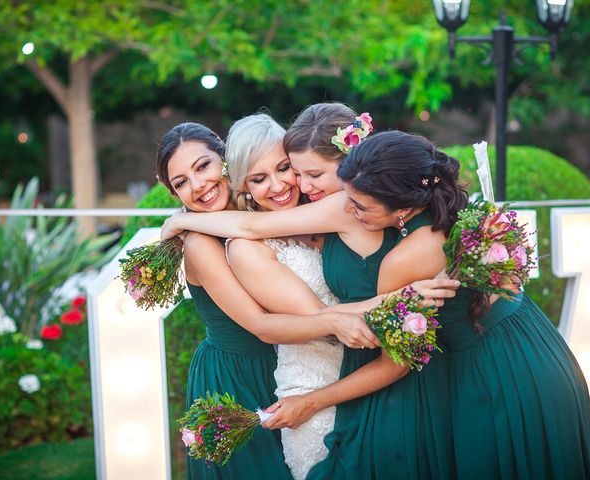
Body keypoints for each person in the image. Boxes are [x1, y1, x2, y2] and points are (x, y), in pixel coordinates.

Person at [160, 107, 460, 478]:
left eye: (286, 169)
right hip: (315, 369)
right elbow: (307, 318)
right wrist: (401, 300)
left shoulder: (325, 208)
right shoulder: (239, 244)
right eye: (258, 178)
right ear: (241, 180)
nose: (281, 185)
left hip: (376, 366)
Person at [325, 130, 590, 479]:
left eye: (360, 205)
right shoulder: (464, 211)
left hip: (496, 381)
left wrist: (314, 400)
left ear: (405, 207)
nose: (347, 210)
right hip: (538, 351)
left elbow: (394, 364)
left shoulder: (403, 261)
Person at [156, 122, 378, 480]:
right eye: (181, 182)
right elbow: (261, 324)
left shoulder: (265, 210)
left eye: (202, 166)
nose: (197, 185)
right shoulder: (200, 243)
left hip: (294, 360)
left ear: (227, 162)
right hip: (240, 374)